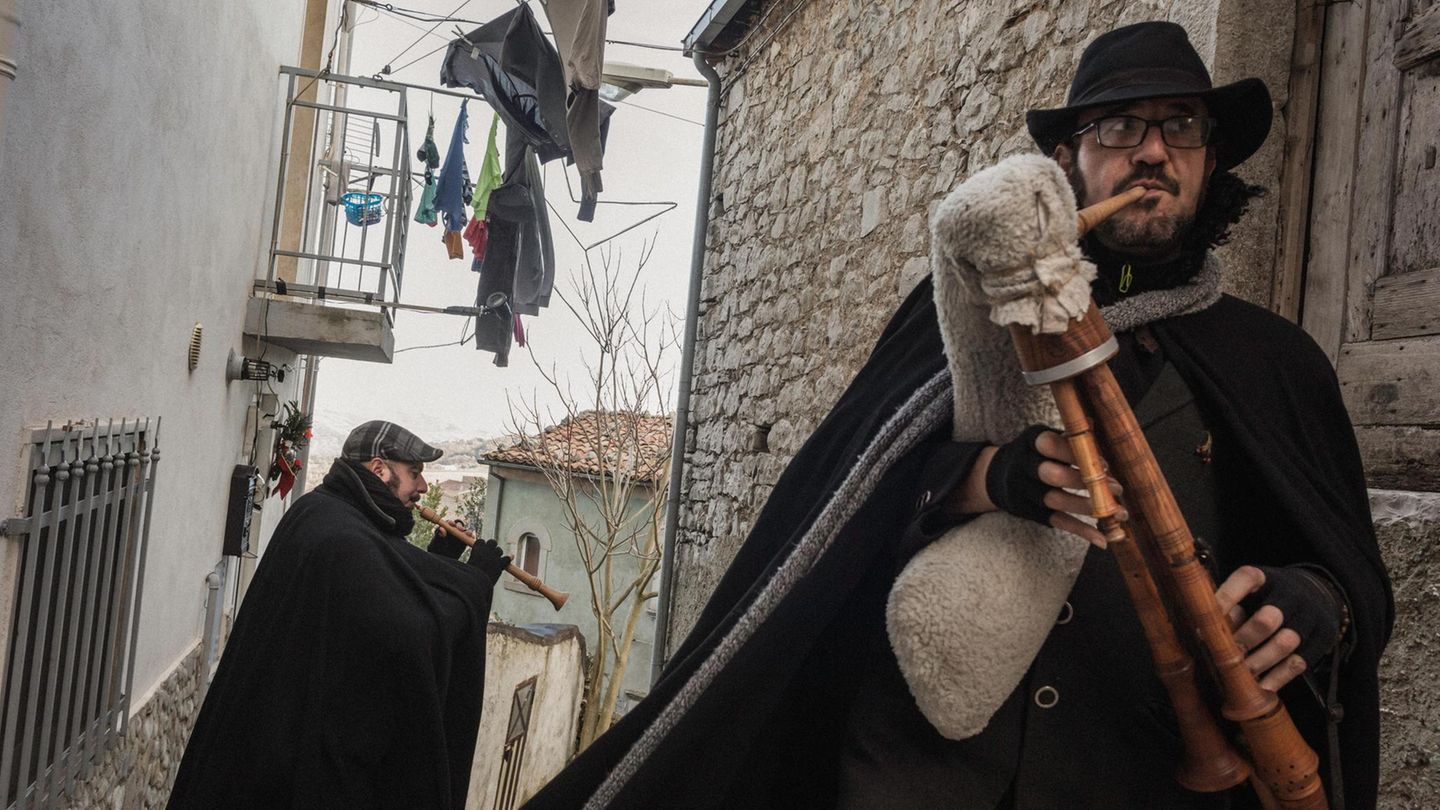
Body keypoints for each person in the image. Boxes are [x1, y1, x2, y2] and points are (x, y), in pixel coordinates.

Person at [522, 21, 1391, 810]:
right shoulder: (964, 313)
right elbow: (849, 512)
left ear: (1211, 158)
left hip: (1136, 775)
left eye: (1181, 126)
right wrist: (985, 478)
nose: (1154, 151)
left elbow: (1343, 566)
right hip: (918, 775)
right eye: (1121, 127)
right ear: (1067, 160)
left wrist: (1318, 603)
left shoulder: (1275, 363)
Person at [170, 421, 511, 809]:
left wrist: (441, 561)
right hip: (301, 770)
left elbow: (388, 591)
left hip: (281, 747)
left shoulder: (326, 512)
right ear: (379, 469)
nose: (422, 486)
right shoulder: (341, 538)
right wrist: (474, 582)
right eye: (414, 472)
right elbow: (404, 637)